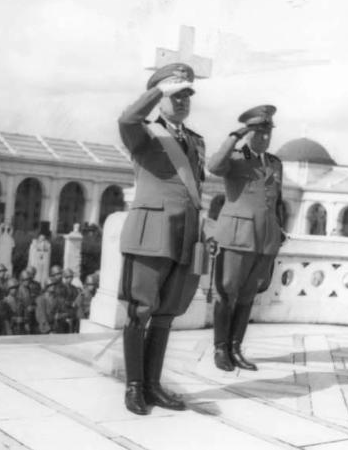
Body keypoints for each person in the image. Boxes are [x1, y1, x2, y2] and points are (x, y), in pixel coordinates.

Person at [118, 62, 205, 415]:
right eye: (175, 94)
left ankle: (153, 385)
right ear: (161, 97)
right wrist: (158, 91)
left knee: (166, 313)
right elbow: (126, 119)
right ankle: (135, 387)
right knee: (140, 311)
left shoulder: (196, 140)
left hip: (184, 236)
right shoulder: (145, 133)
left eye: (186, 94)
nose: (182, 100)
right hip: (151, 234)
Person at [207, 105, 286, 372]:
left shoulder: (275, 163)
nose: (264, 137)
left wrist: (279, 230)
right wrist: (234, 136)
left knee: (248, 295)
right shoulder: (236, 157)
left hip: (264, 239)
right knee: (227, 292)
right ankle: (220, 349)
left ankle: (235, 347)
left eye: (268, 132)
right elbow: (214, 166)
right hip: (237, 236)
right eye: (258, 132)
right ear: (249, 132)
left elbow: (276, 202)